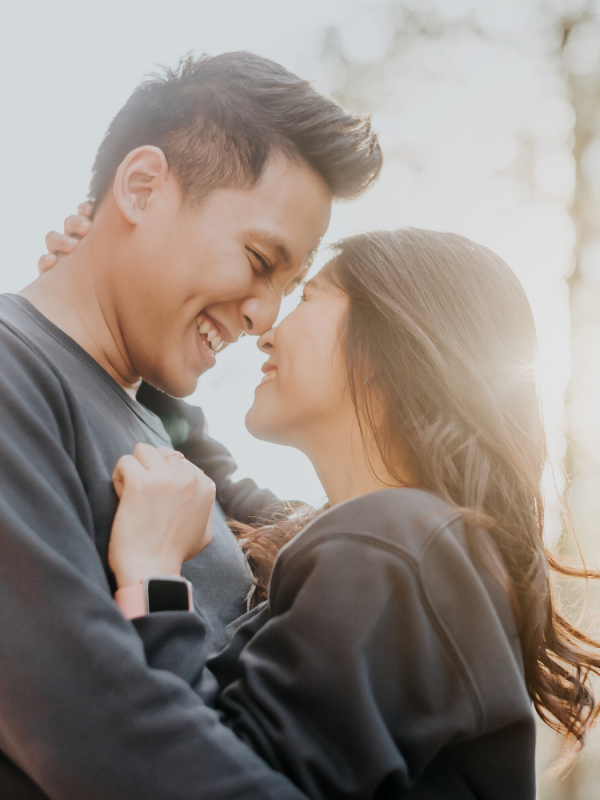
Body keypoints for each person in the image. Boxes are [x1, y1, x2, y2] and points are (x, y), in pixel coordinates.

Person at [0, 52, 381, 799]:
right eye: (259, 259)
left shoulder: (158, 429)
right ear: (142, 187)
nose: (264, 314)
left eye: (291, 285)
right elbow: (100, 735)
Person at [104, 229, 600, 799]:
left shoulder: (397, 546)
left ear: (389, 344)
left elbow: (214, 785)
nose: (266, 332)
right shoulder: (413, 544)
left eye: (308, 298)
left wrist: (151, 577)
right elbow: (232, 487)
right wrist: (129, 331)